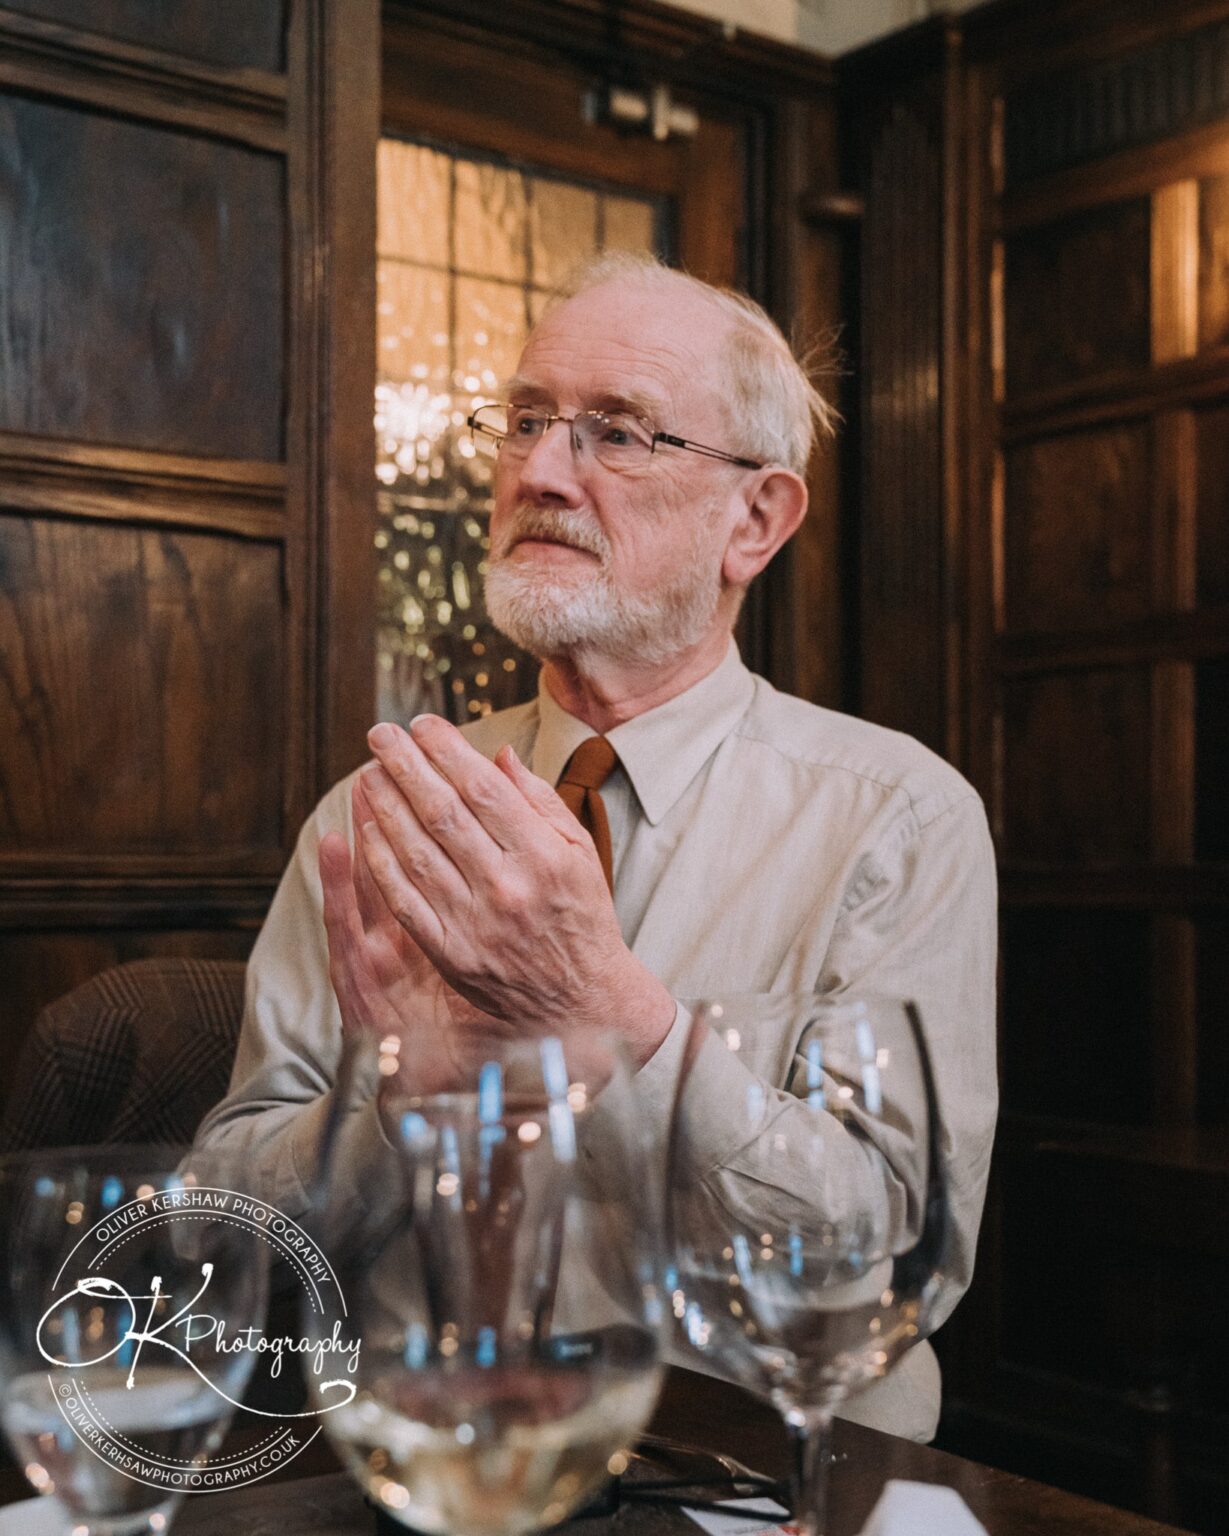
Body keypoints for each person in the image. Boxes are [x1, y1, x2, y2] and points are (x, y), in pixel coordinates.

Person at [196, 252, 997, 1441]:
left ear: (755, 519)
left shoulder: (894, 818)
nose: (539, 471)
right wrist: (395, 1111)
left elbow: (882, 1260)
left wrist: (613, 1011)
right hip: (427, 1464)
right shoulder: (382, 810)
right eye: (523, 421)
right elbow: (228, 1246)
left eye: (616, 434)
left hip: (761, 1476)